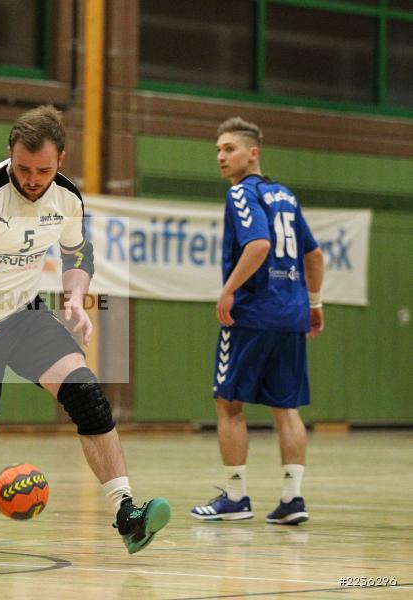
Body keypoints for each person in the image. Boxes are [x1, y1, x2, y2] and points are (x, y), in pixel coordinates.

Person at [0, 105, 170, 555]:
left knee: (87, 397)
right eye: (23, 168)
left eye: (43, 170)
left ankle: (126, 512)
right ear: (10, 157)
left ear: (61, 160)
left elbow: (78, 256)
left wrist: (74, 295)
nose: (32, 179)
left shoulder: (68, 198)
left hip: (24, 315)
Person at [190, 116, 324, 525]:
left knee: (228, 403)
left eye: (228, 149)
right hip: (291, 314)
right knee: (286, 409)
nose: (220, 157)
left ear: (254, 153)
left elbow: (260, 243)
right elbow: (314, 256)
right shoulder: (286, 195)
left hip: (252, 314)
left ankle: (235, 497)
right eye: (217, 150)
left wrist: (229, 289)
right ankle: (292, 499)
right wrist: (314, 303)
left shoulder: (241, 195)